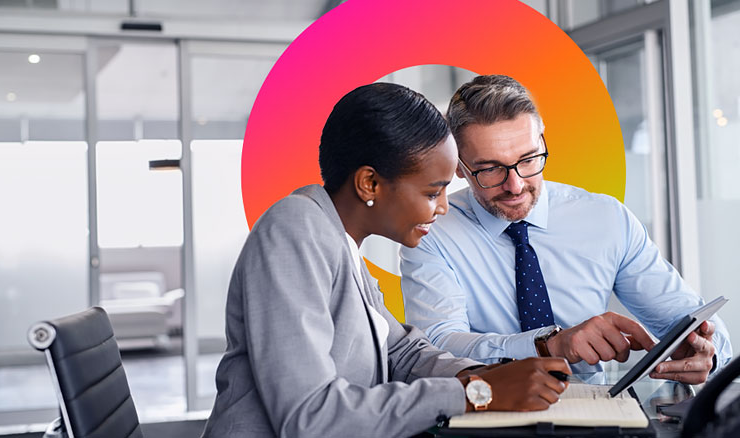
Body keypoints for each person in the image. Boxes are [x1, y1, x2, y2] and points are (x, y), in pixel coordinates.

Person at [202, 83, 571, 438]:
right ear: (370, 184)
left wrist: (487, 375)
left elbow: (401, 351)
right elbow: (309, 416)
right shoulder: (296, 231)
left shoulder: (339, 241)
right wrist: (476, 393)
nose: (443, 207)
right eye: (432, 192)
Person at [400, 74, 731, 384]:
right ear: (459, 166)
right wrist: (548, 346)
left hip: (601, 415)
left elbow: (690, 318)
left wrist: (706, 353)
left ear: (543, 137)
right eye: (490, 169)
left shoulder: (605, 219)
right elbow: (437, 349)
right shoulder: (432, 231)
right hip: (488, 414)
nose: (515, 185)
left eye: (528, 159)